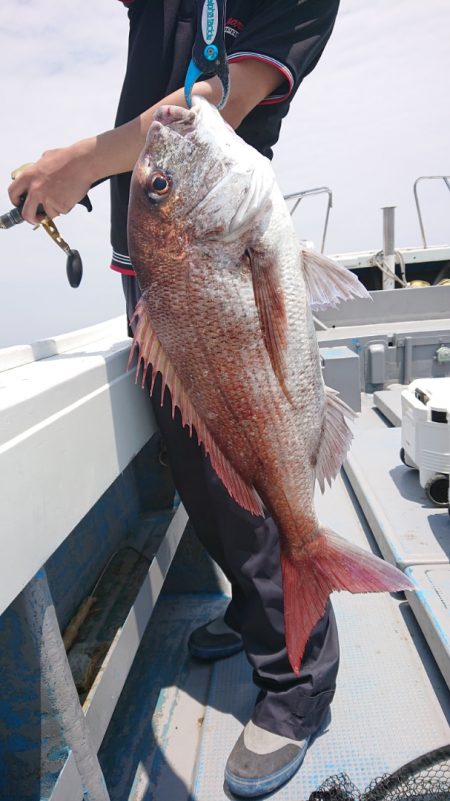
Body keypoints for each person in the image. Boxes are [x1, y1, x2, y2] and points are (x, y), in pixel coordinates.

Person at [8, 1, 341, 795]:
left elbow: (207, 107)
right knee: (200, 473)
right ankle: (258, 610)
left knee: (251, 485)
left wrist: (82, 162)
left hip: (215, 256)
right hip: (161, 275)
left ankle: (299, 679)